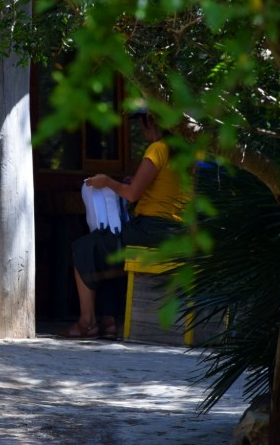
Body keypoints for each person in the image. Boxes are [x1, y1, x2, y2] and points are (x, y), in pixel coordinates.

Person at [67, 111, 190, 339]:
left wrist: (107, 182)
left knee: (85, 247)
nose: (142, 132)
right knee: (107, 251)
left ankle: (87, 322)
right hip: (177, 232)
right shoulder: (184, 152)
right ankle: (110, 321)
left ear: (151, 122)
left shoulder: (158, 149)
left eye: (142, 125)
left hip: (151, 231)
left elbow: (132, 195)